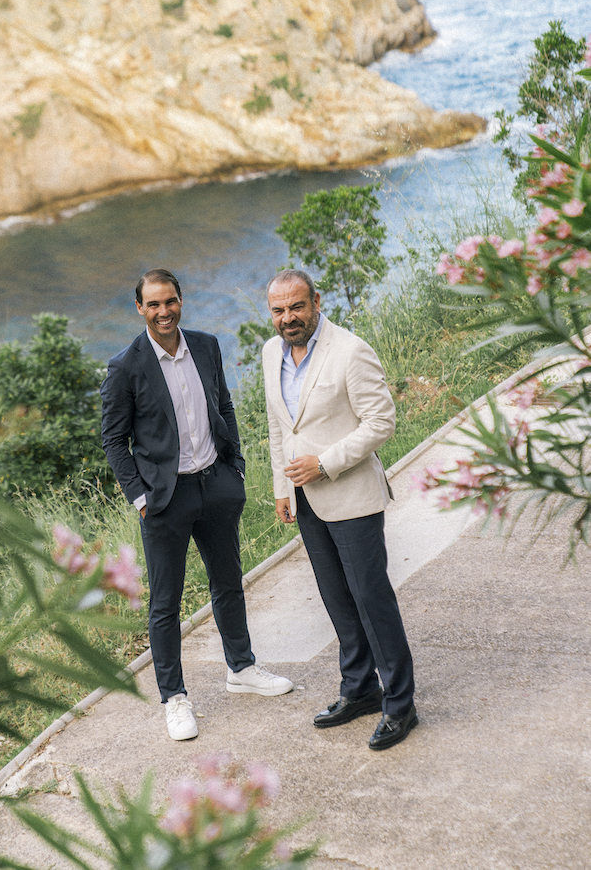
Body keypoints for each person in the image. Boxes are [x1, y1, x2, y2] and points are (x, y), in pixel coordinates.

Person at [101, 268, 293, 741]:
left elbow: (224, 405)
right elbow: (114, 440)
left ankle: (241, 668)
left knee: (229, 583)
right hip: (165, 499)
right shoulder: (125, 367)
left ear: (181, 300)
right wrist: (141, 498)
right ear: (140, 308)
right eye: (153, 304)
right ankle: (174, 698)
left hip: (216, 484)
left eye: (170, 301)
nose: (163, 311)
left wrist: (236, 468)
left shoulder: (206, 346)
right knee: (165, 603)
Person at [262, 269, 417, 750]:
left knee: (371, 600)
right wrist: (282, 487)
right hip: (305, 499)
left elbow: (381, 422)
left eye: (296, 307)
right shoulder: (270, 353)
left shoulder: (350, 351)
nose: (288, 318)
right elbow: (278, 426)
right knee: (337, 599)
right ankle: (360, 689)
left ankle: (401, 705)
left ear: (316, 301)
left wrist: (324, 464)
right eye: (279, 310)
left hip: (352, 497)